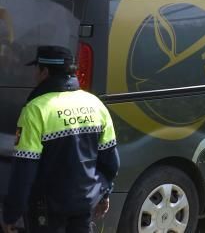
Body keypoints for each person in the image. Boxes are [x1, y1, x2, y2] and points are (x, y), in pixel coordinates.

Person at [2, 46, 119, 233]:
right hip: (84, 204)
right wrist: (104, 193)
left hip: (47, 210)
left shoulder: (36, 110)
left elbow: (24, 170)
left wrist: (11, 214)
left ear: (45, 72)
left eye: (36, 69)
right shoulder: (95, 104)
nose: (35, 75)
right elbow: (110, 162)